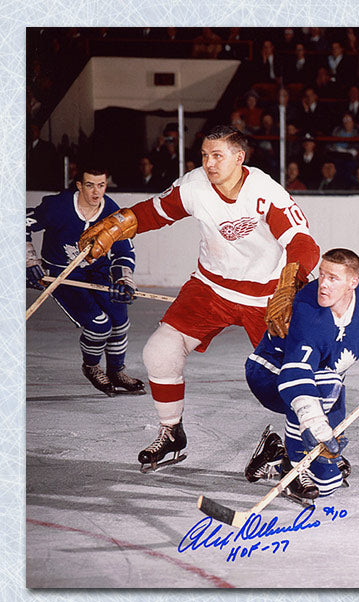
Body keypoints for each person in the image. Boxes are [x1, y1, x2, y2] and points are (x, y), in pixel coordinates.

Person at [78, 126, 320, 471]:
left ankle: (302, 447)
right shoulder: (194, 186)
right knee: (160, 352)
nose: (209, 163)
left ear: (239, 157)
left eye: (217, 155)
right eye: (205, 155)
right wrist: (117, 224)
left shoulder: (265, 191)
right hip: (211, 288)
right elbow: (153, 213)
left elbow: (303, 243)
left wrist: (289, 286)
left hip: (267, 295)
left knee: (291, 377)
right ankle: (171, 431)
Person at [244, 248, 359, 502]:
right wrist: (313, 422)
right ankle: (293, 465)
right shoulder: (308, 308)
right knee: (326, 393)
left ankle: (274, 451)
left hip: (324, 383)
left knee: (327, 483)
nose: (323, 284)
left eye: (333, 278)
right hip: (270, 374)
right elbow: (295, 373)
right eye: (322, 274)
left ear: (353, 282)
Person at [26, 164, 145, 396]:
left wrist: (123, 280)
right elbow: (19, 223)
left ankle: (116, 371)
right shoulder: (58, 206)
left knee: (120, 321)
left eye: (101, 185)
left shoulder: (111, 211)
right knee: (99, 325)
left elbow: (123, 251)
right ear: (79, 185)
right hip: (63, 275)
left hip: (98, 272)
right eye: (90, 185)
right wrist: (29, 261)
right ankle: (91, 367)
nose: (96, 192)